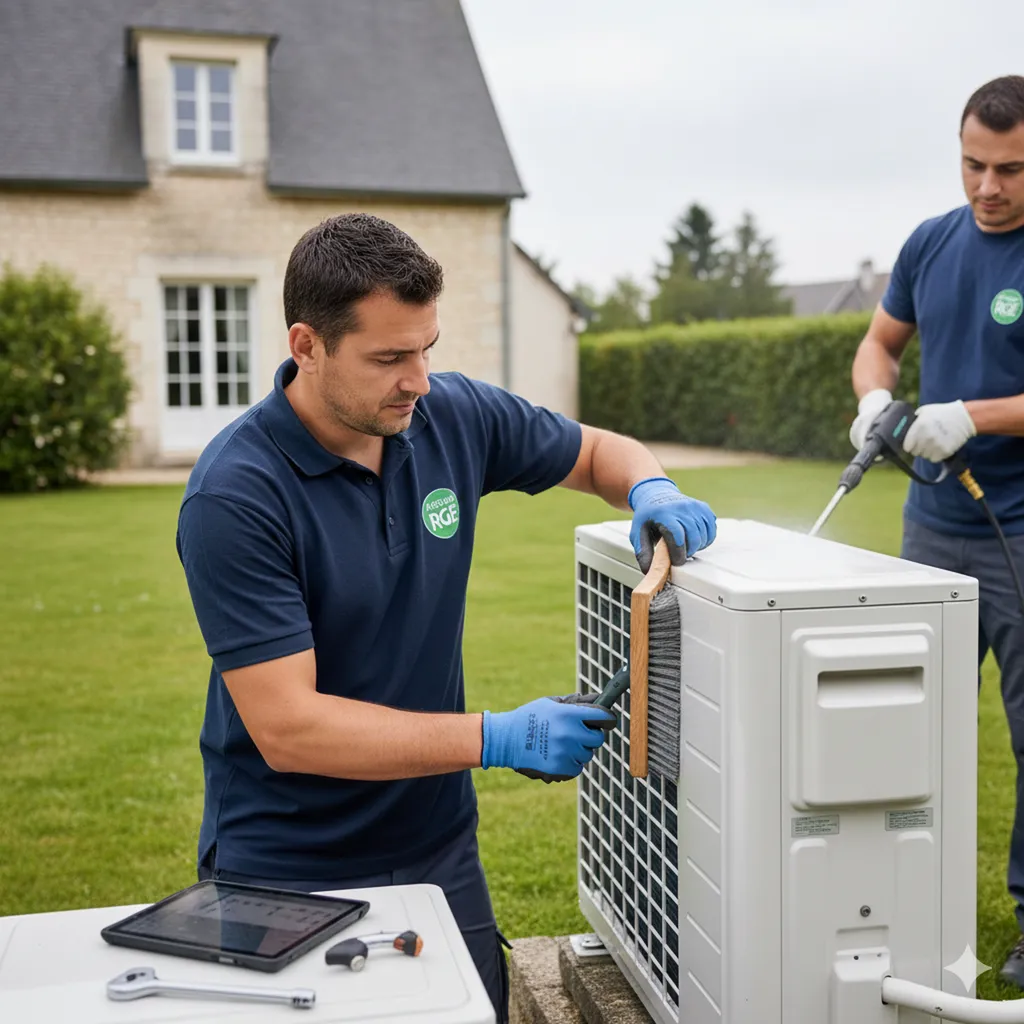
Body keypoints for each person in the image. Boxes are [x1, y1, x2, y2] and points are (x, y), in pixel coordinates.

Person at [175, 212, 717, 1021]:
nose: (418, 378)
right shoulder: (237, 494)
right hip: (287, 863)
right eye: (389, 356)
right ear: (306, 345)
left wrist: (650, 487)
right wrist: (495, 738)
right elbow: (288, 726)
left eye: (427, 347)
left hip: (434, 844)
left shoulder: (452, 418)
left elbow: (602, 453)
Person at [848, 74, 1024, 984]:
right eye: (972, 165)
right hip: (932, 527)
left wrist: (976, 416)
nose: (987, 187)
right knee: (917, 729)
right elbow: (878, 341)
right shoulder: (932, 241)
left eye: (1010, 170)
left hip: (1020, 534)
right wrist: (876, 393)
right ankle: (912, 903)